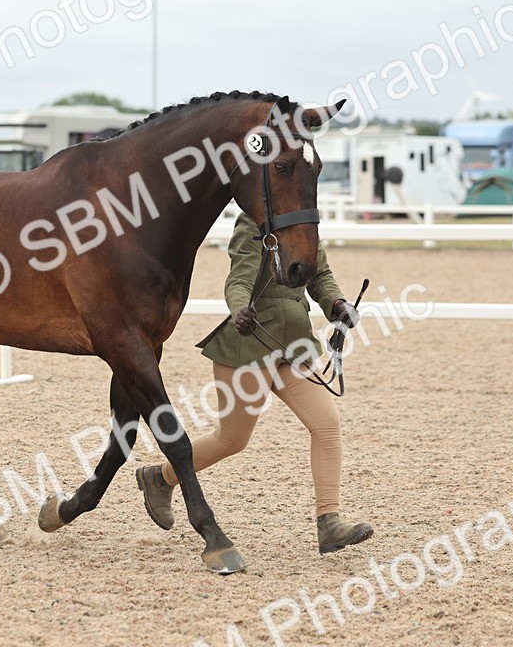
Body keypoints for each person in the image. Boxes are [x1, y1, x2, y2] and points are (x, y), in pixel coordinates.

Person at [136, 211, 374, 555]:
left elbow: (320, 274)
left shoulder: (307, 225)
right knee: (231, 439)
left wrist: (336, 305)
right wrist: (239, 308)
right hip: (251, 343)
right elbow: (239, 278)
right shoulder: (254, 223)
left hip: (293, 343)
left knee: (326, 424)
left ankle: (329, 522)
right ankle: (160, 478)